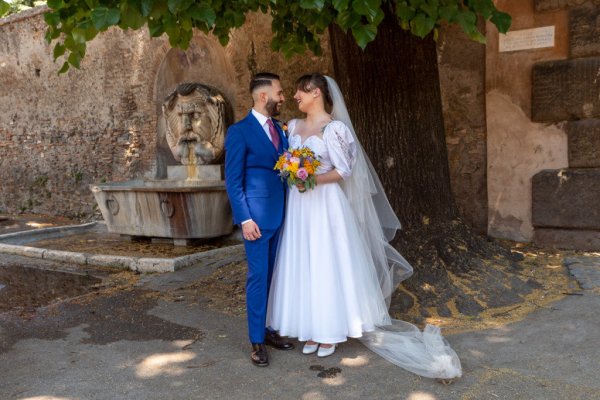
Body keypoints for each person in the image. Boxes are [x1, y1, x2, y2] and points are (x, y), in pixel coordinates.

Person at [266, 73, 462, 379]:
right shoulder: (293, 127)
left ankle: (330, 330)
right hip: (300, 207)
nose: (294, 97)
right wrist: (294, 173)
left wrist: (310, 177)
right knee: (303, 261)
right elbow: (285, 160)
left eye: (299, 92)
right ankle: (311, 329)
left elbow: (344, 170)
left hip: (325, 205)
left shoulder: (335, 129)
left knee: (327, 262)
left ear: (316, 92)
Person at [224, 72, 294, 367]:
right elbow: (233, 179)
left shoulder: (281, 129)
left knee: (273, 278)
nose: (283, 98)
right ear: (263, 96)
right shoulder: (239, 132)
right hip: (256, 220)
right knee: (257, 278)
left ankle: (268, 329)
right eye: (279, 92)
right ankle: (256, 341)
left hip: (282, 216)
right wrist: (245, 219)